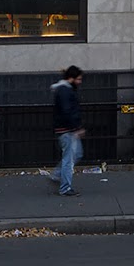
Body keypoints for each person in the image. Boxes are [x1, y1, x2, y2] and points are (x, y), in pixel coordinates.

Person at [51, 65, 85, 196]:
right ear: (71, 78)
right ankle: (65, 188)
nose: (79, 82)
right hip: (68, 130)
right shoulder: (65, 91)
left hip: (67, 128)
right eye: (78, 79)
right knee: (69, 159)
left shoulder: (64, 89)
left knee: (76, 154)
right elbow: (67, 111)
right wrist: (76, 128)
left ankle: (57, 175)